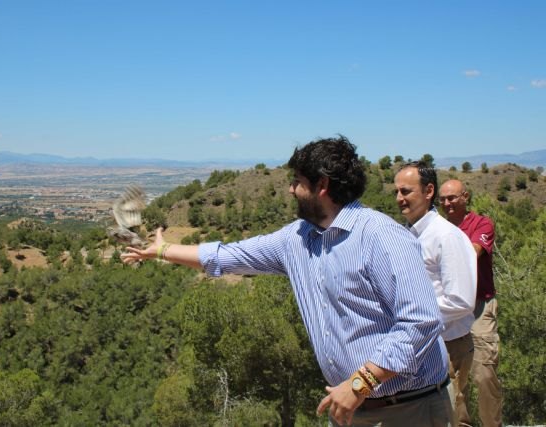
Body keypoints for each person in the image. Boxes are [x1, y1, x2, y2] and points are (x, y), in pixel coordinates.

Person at [123, 136, 454, 427]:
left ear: (321, 186)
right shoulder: (298, 238)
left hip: (410, 407)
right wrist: (163, 250)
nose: (291, 189)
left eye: (297, 181)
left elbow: (421, 322)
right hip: (351, 408)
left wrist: (359, 383)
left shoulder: (382, 236)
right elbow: (228, 256)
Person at [394, 162, 477, 425]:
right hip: (420, 347)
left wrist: (410, 314)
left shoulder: (446, 236)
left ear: (429, 191)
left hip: (448, 347)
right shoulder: (410, 235)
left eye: (406, 191)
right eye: (396, 192)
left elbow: (461, 300)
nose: (399, 198)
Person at [439, 179, 503, 427]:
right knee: (452, 378)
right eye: (443, 199)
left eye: (452, 198)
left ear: (465, 197)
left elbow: (471, 254)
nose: (447, 203)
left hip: (479, 307)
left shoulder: (481, 224)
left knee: (485, 374)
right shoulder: (441, 228)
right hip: (451, 310)